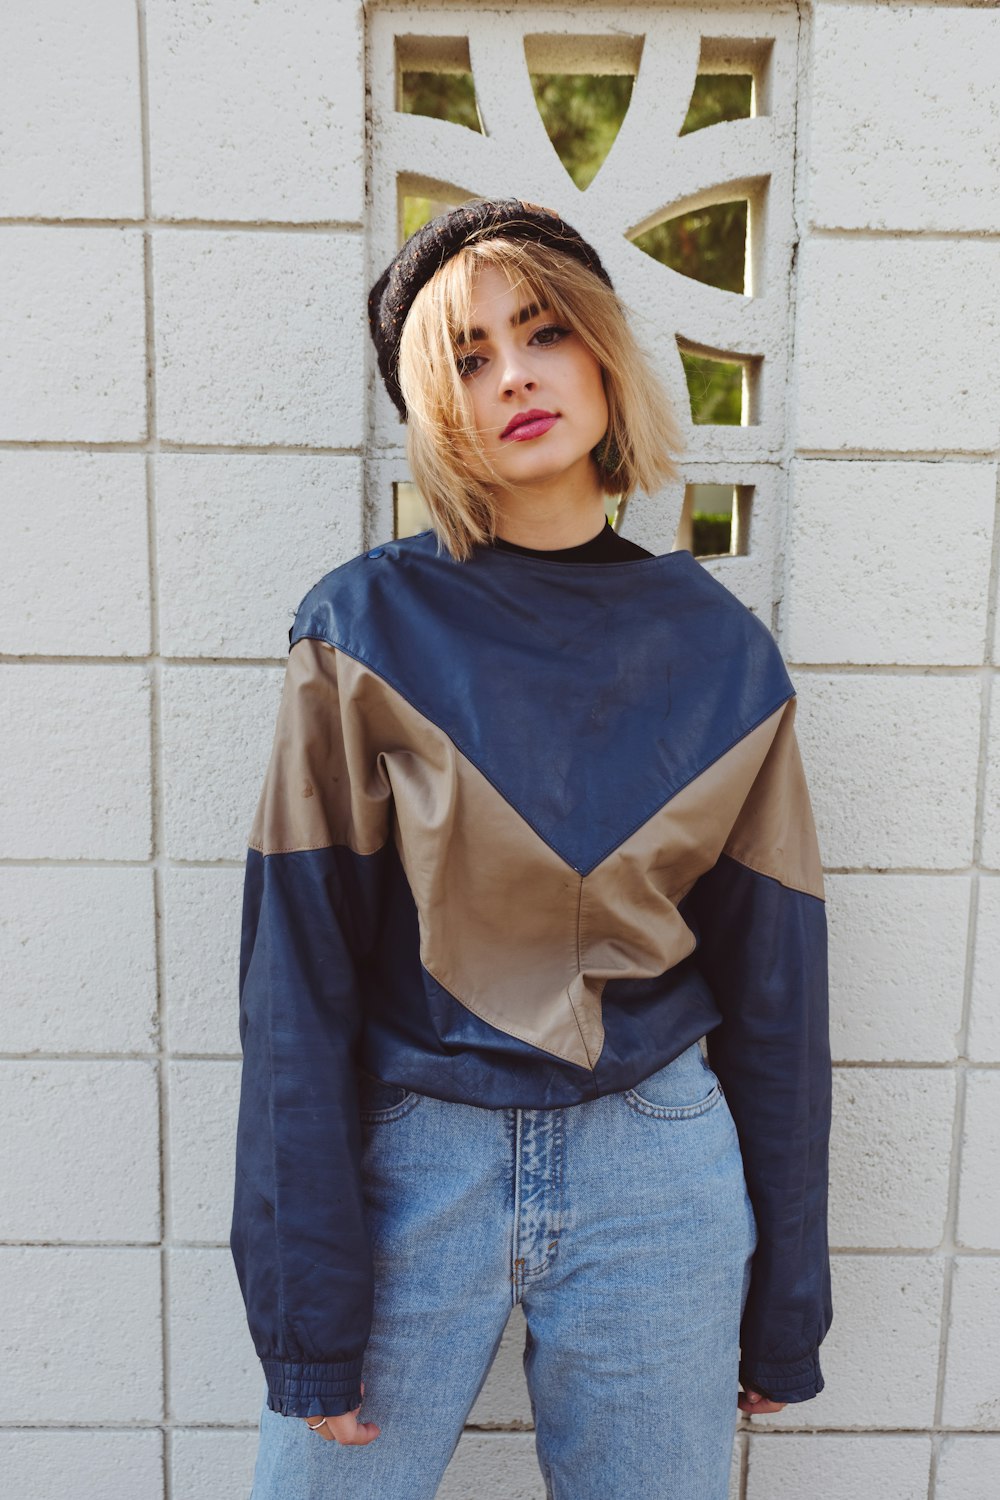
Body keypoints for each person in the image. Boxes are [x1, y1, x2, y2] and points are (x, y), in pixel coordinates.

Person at [232, 198, 833, 1500]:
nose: (512, 373)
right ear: (434, 409)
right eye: (466, 355)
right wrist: (306, 1309)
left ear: (604, 352)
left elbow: (781, 996)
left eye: (543, 330)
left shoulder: (722, 653)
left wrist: (790, 1298)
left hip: (658, 1161)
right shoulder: (359, 628)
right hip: (416, 1167)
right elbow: (296, 987)